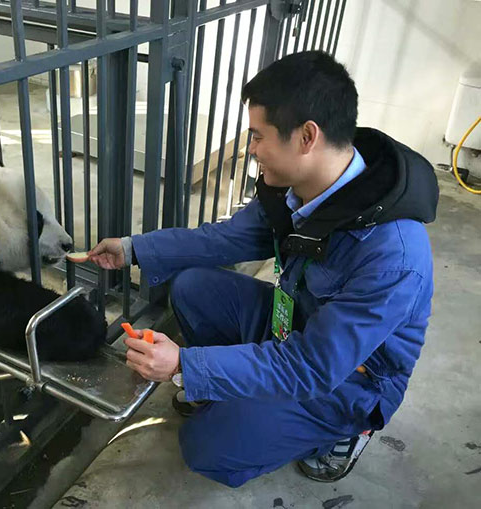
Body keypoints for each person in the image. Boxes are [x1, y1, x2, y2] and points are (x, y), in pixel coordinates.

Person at [87, 50, 438, 488]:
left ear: (307, 137)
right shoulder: (299, 190)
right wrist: (132, 248)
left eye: (257, 136)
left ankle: (343, 431)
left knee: (206, 447)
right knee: (194, 286)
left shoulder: (393, 255)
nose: (251, 150)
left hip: (349, 378)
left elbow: (313, 365)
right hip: (294, 329)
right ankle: (243, 399)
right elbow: (222, 240)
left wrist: (187, 367)